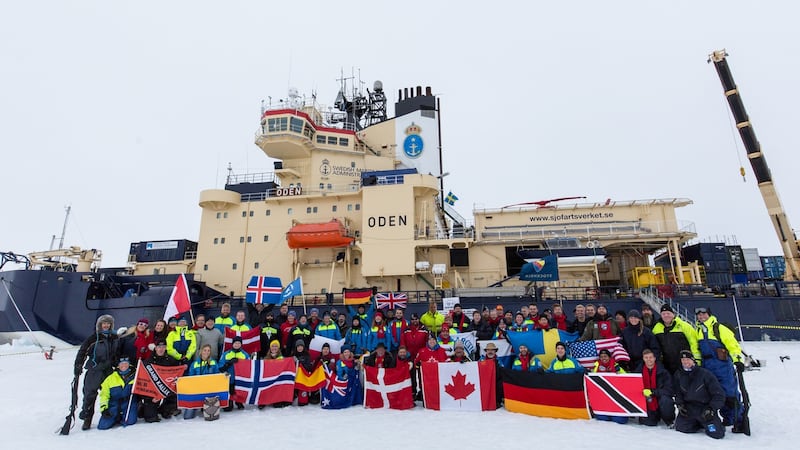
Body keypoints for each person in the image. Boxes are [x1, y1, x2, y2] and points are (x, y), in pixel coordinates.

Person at [694, 306, 745, 431]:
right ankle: (727, 418)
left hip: (722, 366)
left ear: (709, 314)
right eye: (699, 315)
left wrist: (737, 360)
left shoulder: (719, 328)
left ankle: (739, 419)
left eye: (704, 314)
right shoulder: (698, 330)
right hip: (707, 366)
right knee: (716, 394)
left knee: (730, 393)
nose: (701, 317)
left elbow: (733, 345)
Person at [74, 314, 120, 430]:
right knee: (90, 394)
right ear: (100, 325)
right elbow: (83, 351)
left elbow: (118, 352)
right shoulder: (93, 338)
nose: (106, 325)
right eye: (104, 323)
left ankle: (109, 416)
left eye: (108, 323)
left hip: (108, 369)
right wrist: (78, 365)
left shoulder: (114, 338)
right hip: (95, 370)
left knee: (110, 393)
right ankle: (87, 419)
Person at [673, 350, 726, 439]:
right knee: (681, 428)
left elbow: (719, 394)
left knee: (716, 433)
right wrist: (680, 405)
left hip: (705, 409)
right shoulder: (678, 375)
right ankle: (697, 423)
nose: (685, 362)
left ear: (693, 360)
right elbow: (678, 393)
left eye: (688, 359)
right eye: (683, 360)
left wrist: (712, 408)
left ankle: (711, 423)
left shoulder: (705, 374)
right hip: (689, 408)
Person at [139, 340, 181, 422]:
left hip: (166, 391)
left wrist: (183, 367)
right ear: (155, 348)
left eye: (163, 347)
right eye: (159, 347)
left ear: (165, 348)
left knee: (168, 413)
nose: (161, 349)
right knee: (150, 418)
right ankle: (144, 408)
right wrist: (152, 396)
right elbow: (144, 381)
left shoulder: (171, 360)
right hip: (152, 393)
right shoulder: (148, 361)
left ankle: (165, 409)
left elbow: (177, 373)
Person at [652, 304, 699, 375]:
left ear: (673, 314)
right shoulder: (656, 329)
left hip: (684, 362)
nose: (666, 315)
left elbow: (694, 343)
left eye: (668, 313)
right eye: (663, 314)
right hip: (666, 364)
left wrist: (697, 359)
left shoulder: (684, 326)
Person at [97, 356, 136, 430]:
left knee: (130, 421)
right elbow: (104, 395)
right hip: (114, 404)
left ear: (129, 364)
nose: (124, 366)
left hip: (128, 403)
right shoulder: (110, 379)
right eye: (122, 364)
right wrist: (104, 408)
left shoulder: (135, 376)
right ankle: (115, 418)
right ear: (118, 365)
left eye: (126, 364)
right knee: (103, 426)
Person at [638, 349, 675, 427]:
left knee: (666, 400)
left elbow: (670, 390)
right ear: (643, 359)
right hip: (647, 400)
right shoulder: (638, 371)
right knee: (649, 423)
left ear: (655, 358)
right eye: (646, 357)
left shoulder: (664, 372)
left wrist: (653, 392)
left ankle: (669, 419)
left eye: (651, 357)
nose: (649, 360)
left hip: (660, 399)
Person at [592, 349, 628, 424]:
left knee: (620, 420)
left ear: (609, 357)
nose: (603, 358)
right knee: (602, 418)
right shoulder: (597, 366)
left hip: (615, 396)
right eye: (601, 357)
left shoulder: (616, 366)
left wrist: (619, 374)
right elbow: (593, 381)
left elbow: (626, 379)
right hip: (603, 397)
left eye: (605, 356)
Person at [184, 344, 219, 419]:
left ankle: (204, 406)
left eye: (208, 351)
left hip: (209, 391)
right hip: (197, 391)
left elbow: (218, 376)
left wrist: (224, 376)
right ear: (201, 351)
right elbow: (190, 378)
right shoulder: (195, 364)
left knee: (211, 416)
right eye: (205, 350)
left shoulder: (213, 363)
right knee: (187, 417)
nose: (206, 352)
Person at [219, 336, 250, 411]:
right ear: (232, 344)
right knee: (228, 408)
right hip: (229, 378)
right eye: (235, 343)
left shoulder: (245, 354)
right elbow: (220, 367)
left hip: (239, 378)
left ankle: (239, 401)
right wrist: (228, 364)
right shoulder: (226, 354)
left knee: (239, 390)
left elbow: (249, 367)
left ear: (241, 344)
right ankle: (229, 402)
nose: (237, 345)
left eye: (239, 343)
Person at [481, 342, 504, 408]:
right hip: (484, 381)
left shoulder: (499, 361)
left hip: (495, 381)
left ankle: (497, 401)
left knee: (500, 383)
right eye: (488, 350)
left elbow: (502, 372)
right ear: (486, 351)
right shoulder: (481, 360)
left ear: (495, 351)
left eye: (492, 350)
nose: (490, 352)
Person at [292, 339, 314, 406]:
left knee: (302, 401)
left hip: (303, 378)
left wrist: (299, 362)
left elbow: (308, 367)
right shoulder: (293, 355)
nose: (300, 348)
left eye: (301, 346)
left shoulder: (307, 355)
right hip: (295, 377)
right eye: (298, 346)